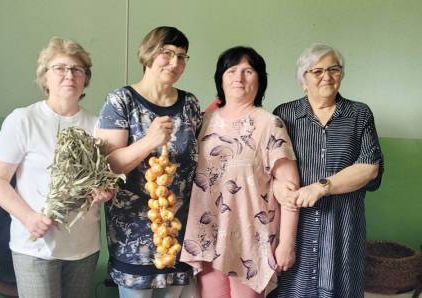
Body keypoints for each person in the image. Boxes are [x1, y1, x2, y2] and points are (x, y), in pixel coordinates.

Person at [0, 37, 112, 298]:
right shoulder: (23, 120)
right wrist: (29, 217)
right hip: (35, 249)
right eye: (60, 68)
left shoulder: (98, 124)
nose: (70, 75)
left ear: (85, 78)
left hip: (83, 248)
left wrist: (105, 192)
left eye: (77, 69)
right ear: (45, 77)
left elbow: (105, 181)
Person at [180, 46, 300, 298]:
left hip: (250, 238)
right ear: (220, 78)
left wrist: (287, 243)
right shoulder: (203, 121)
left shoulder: (269, 123)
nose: (239, 77)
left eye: (248, 71)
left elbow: (290, 189)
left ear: (260, 79)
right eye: (231, 70)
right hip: (208, 233)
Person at [95, 26, 201, 298]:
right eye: (167, 53)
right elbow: (108, 167)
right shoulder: (121, 101)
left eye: (182, 56)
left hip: (178, 233)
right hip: (134, 237)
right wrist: (148, 141)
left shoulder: (189, 104)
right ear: (148, 54)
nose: (175, 62)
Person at [273, 44, 384, 298]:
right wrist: (276, 186)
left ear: (341, 74)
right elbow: (270, 168)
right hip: (296, 229)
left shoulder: (359, 114)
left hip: (343, 229)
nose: (327, 76)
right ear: (304, 80)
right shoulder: (284, 114)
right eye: (317, 71)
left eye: (334, 69)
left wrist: (321, 186)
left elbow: (370, 167)